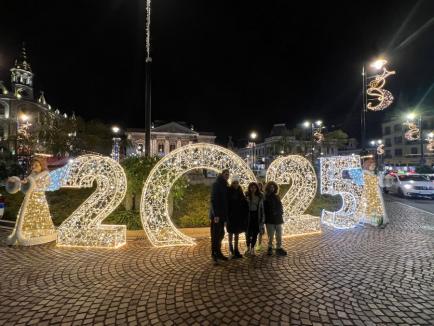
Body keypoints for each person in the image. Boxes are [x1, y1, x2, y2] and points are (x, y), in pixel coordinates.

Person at [5, 157, 57, 246]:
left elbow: (38, 184)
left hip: (39, 199)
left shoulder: (45, 174)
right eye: (33, 165)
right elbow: (25, 182)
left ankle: (41, 233)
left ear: (42, 166)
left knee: (40, 216)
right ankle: (25, 233)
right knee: (27, 216)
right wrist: (14, 181)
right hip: (29, 198)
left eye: (36, 165)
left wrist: (26, 182)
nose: (33, 167)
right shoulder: (32, 175)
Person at [209, 169, 230, 262]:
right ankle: (215, 254)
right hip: (217, 215)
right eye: (225, 174)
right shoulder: (216, 185)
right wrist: (216, 215)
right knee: (216, 235)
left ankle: (218, 252)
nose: (227, 175)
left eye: (228, 174)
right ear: (221, 175)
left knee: (221, 234)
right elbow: (213, 200)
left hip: (223, 215)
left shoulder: (225, 185)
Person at [227, 176, 248, 258]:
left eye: (237, 183)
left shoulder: (240, 191)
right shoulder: (229, 191)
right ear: (232, 183)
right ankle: (230, 247)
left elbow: (243, 201)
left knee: (236, 233)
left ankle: (236, 249)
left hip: (238, 215)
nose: (236, 184)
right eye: (234, 183)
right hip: (231, 215)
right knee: (230, 232)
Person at [264, 181, 287, 256]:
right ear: (268, 188)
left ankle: (278, 248)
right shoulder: (265, 197)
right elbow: (265, 208)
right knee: (271, 235)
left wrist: (280, 212)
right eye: (270, 187)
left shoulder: (277, 196)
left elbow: (280, 206)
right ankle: (270, 247)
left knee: (279, 234)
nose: (272, 188)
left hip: (278, 219)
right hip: (270, 219)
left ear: (275, 188)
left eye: (273, 187)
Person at [245, 182, 265, 256]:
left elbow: (262, 208)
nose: (253, 189)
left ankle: (252, 248)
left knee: (255, 233)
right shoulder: (246, 195)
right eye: (251, 187)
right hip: (248, 216)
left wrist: (262, 219)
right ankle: (248, 248)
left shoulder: (260, 196)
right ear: (249, 188)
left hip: (257, 215)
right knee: (247, 233)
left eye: (254, 187)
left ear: (257, 188)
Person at [255, 182, 265, 252]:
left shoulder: (263, 195)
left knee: (261, 231)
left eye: (260, 186)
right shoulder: (253, 195)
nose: (259, 187)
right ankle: (255, 244)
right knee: (255, 231)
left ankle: (259, 244)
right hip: (255, 215)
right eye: (257, 186)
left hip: (261, 215)